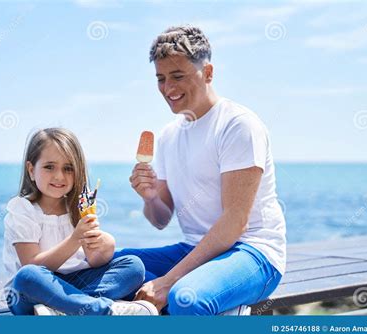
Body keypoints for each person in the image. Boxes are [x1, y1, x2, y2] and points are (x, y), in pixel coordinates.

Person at [114, 25, 286, 315]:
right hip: (195, 249)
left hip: (253, 253)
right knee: (113, 267)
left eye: (178, 76)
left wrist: (168, 281)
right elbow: (160, 219)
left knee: (185, 298)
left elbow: (235, 223)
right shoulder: (169, 136)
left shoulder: (238, 126)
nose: (168, 88)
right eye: (161, 78)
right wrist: (150, 197)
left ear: (208, 73)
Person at [2, 127, 158, 315]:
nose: (59, 176)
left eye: (68, 168)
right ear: (31, 170)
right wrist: (75, 239)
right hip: (33, 292)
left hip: (73, 283)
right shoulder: (22, 208)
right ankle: (100, 310)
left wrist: (105, 245)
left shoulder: (79, 206)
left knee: (133, 266)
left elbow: (93, 261)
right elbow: (32, 263)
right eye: (49, 166)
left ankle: (65, 309)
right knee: (28, 275)